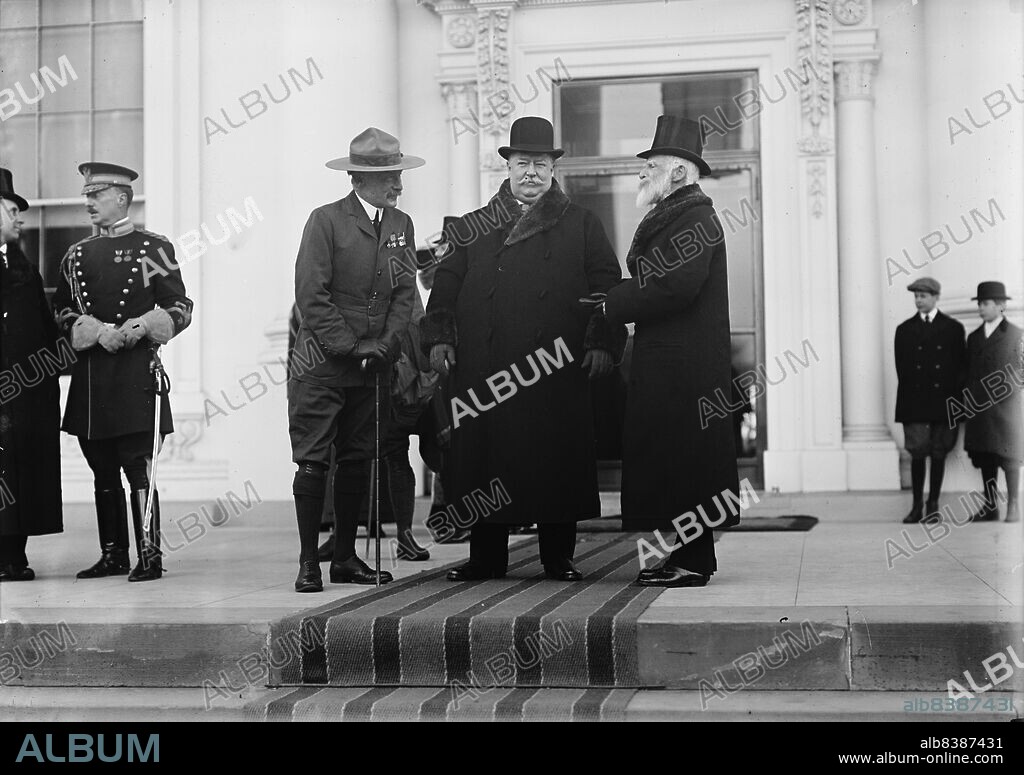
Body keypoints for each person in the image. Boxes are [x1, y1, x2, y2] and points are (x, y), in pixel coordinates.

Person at [422, 116, 625, 582]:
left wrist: (600, 342)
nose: (530, 172)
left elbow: (606, 287)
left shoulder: (583, 224)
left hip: (554, 366)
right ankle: (486, 558)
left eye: (539, 164)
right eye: (521, 163)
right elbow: (445, 291)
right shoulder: (471, 226)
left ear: (553, 169)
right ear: (507, 168)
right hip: (485, 368)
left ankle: (558, 557)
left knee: (554, 459)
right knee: (485, 460)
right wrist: (439, 339)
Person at [597, 115, 740, 588]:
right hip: (678, 365)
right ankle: (687, 556)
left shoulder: (694, 217)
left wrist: (613, 301)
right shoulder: (683, 215)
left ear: (678, 172)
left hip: (685, 370)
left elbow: (675, 287)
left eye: (650, 164)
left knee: (686, 465)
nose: (641, 173)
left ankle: (694, 563)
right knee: (680, 464)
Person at [289, 127, 422, 592]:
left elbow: (405, 292)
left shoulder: (401, 225)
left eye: (398, 175)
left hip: (373, 367)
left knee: (358, 460)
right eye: (390, 177)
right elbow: (311, 293)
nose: (398, 185)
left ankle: (345, 558)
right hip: (322, 365)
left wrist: (386, 342)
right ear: (360, 180)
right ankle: (309, 562)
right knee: (312, 461)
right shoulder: (324, 221)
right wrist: (351, 345)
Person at [53, 162, 193, 582]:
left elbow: (180, 308)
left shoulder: (155, 249)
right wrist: (92, 330)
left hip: (136, 374)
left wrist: (141, 326)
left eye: (96, 195)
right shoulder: (76, 256)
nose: (88, 202)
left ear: (121, 197)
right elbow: (59, 312)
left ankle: (149, 555)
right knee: (101, 467)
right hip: (93, 377)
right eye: (87, 196)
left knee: (138, 466)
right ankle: (112, 553)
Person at [0, 169, 63, 581]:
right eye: (10, 210)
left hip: (26, 395)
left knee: (21, 471)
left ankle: (13, 556)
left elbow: (44, 330)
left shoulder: (25, 270)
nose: (19, 218)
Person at [893, 277, 966, 523]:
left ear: (936, 297)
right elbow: (901, 369)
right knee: (916, 452)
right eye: (916, 296)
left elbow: (960, 369)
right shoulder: (904, 330)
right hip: (915, 403)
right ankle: (916, 506)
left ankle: (933, 505)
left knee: (938, 453)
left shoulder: (954, 329)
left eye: (923, 295)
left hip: (944, 402)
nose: (919, 300)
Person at [961, 281, 1022, 523]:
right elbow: (968, 371)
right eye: (979, 303)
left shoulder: (1016, 334)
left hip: (1005, 409)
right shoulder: (974, 337)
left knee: (1009, 458)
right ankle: (990, 505)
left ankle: (1014, 506)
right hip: (979, 409)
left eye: (985, 303)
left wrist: (999, 390)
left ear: (1001, 305)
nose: (981, 308)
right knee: (985, 456)